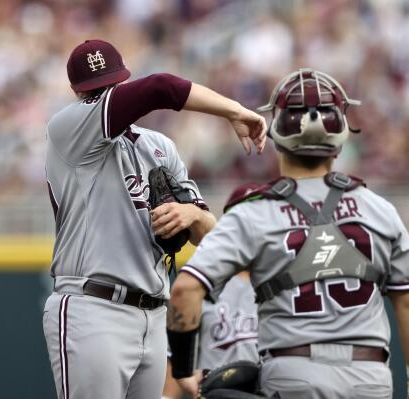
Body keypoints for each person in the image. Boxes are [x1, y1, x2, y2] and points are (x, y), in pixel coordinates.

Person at [42, 39, 266, 399]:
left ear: (122, 80)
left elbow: (211, 236)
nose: (100, 97)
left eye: (108, 87)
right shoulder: (66, 131)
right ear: (77, 95)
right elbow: (160, 87)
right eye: (92, 92)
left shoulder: (157, 146)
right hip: (93, 306)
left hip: (153, 312)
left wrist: (192, 212)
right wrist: (234, 111)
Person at [166, 68, 409, 399]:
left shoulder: (253, 211)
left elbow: (185, 292)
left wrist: (182, 372)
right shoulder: (381, 210)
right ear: (339, 134)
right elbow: (405, 301)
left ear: (277, 132)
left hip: (293, 374)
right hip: (370, 378)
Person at [162, 271, 258, 399]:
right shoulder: (200, 285)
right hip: (212, 391)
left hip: (261, 390)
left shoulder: (276, 286)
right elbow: (174, 357)